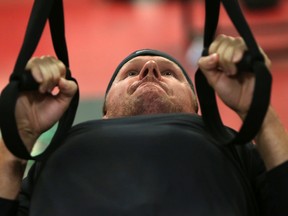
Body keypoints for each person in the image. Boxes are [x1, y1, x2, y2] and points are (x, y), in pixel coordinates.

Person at [0, 34, 288, 216]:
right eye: (131, 72)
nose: (149, 71)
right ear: (105, 111)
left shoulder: (229, 145)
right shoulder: (59, 154)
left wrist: (258, 113)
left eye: (168, 72)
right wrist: (17, 142)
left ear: (195, 108)